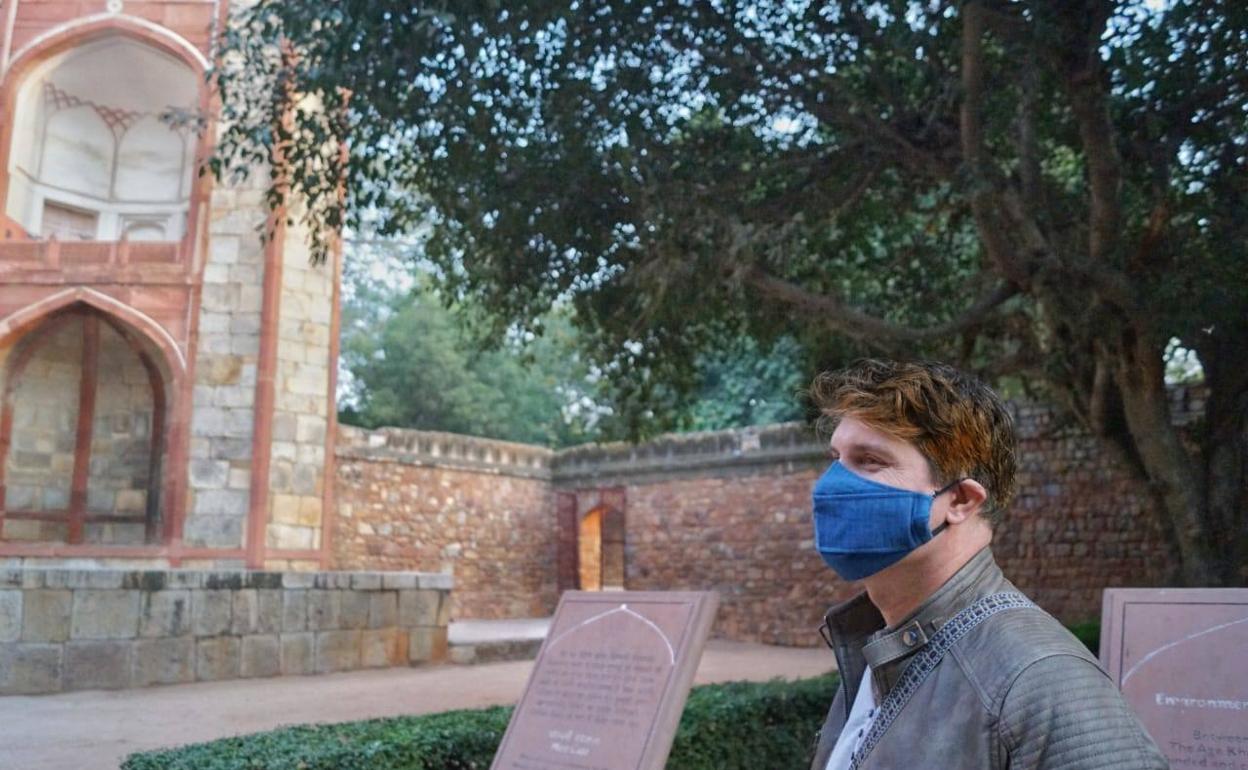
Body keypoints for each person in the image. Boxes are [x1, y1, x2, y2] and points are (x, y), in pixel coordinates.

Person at [807, 359, 1167, 770]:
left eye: (870, 461)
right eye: (837, 457)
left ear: (960, 500)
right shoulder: (880, 643)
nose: (831, 485)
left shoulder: (1038, 677)